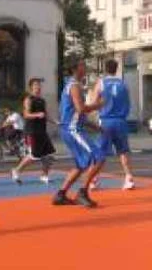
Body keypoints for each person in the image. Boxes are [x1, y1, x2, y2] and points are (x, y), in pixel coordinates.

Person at [53, 60, 105, 207]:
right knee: (99, 157)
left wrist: (95, 126)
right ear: (75, 68)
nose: (85, 67)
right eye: (82, 65)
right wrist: (98, 105)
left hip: (71, 128)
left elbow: (76, 113)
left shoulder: (71, 85)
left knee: (81, 164)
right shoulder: (74, 86)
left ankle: (61, 194)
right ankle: (82, 192)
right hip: (73, 130)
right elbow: (81, 109)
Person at [92, 59, 135, 190]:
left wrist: (95, 115)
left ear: (105, 69)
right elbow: (128, 103)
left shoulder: (101, 83)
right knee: (123, 151)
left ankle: (94, 179)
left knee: (100, 151)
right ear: (116, 69)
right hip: (121, 120)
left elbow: (94, 102)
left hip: (106, 121)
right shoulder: (123, 84)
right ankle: (129, 178)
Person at [11, 78, 56, 185]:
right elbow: (26, 114)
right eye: (36, 85)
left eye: (39, 85)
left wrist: (56, 122)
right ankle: (16, 170)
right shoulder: (28, 100)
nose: (38, 87)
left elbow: (46, 115)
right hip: (32, 131)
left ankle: (44, 175)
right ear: (31, 87)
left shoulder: (42, 100)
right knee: (33, 156)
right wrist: (37, 115)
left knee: (48, 155)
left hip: (42, 132)